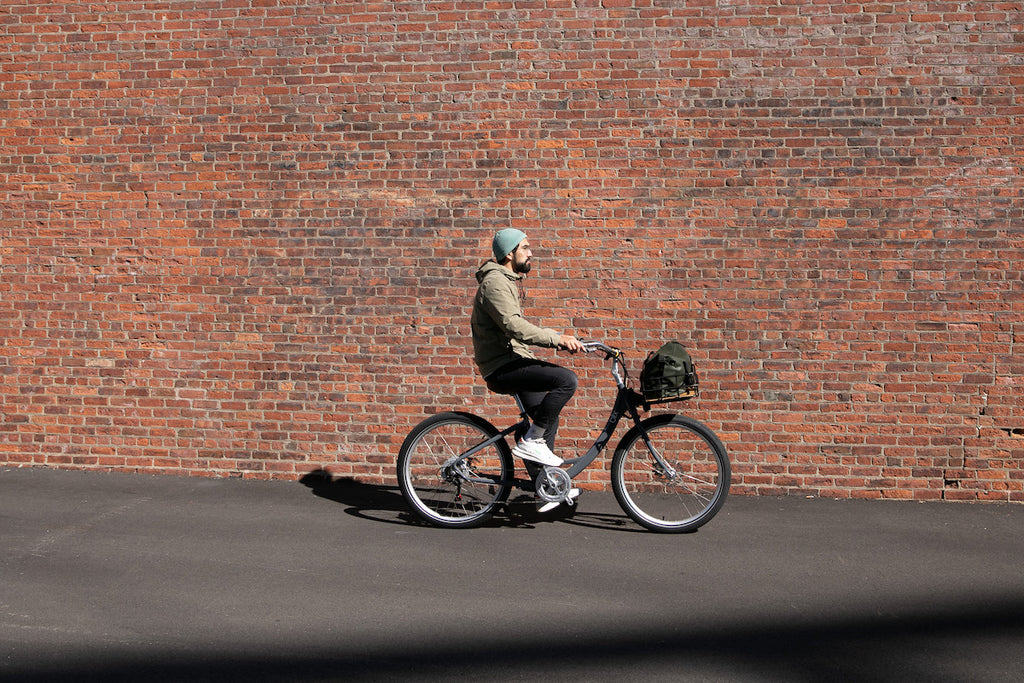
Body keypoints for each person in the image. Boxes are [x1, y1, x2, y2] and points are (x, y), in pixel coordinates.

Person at [471, 229, 585, 476]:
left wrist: (561, 338)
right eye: (525, 247)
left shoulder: (505, 281)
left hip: (513, 360)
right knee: (566, 380)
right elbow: (514, 326)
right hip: (502, 366)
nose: (530, 253)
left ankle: (544, 484)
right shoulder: (495, 284)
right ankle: (532, 442)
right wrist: (557, 339)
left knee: (546, 416)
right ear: (510, 254)